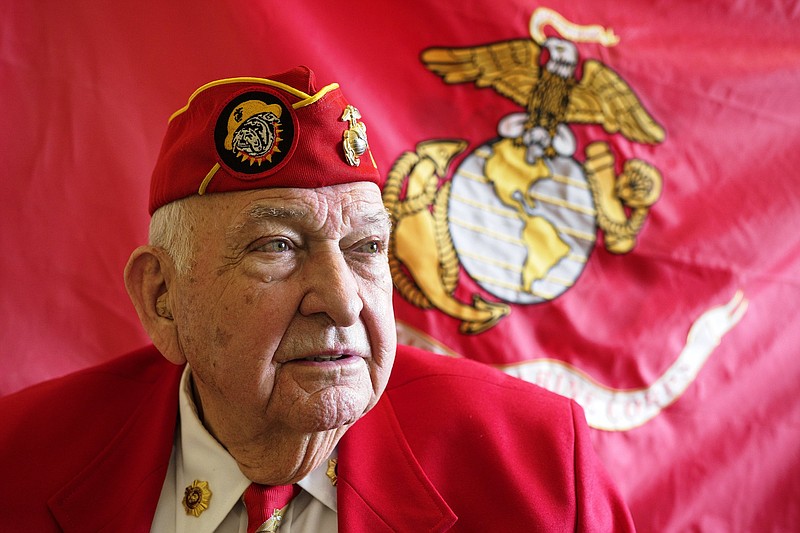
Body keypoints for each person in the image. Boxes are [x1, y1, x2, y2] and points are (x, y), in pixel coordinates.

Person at [0, 66, 636, 532]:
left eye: (364, 250)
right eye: (277, 247)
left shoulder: (541, 464)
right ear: (163, 298)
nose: (341, 301)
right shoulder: (19, 459)